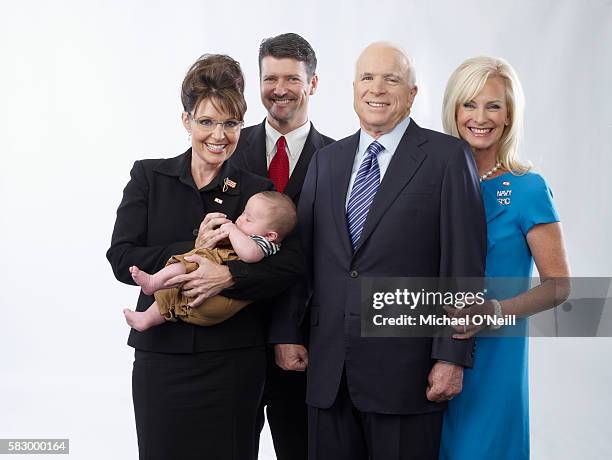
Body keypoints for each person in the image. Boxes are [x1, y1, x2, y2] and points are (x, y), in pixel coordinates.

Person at [274, 42, 487, 460]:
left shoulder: (447, 158)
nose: (378, 88)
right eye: (367, 78)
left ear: (411, 93)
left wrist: (452, 356)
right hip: (329, 372)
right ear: (354, 89)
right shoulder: (326, 161)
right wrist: (285, 331)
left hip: (408, 375)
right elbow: (303, 257)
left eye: (391, 78)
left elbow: (463, 266)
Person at [106, 54, 303, 460]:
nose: (219, 135)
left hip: (233, 361)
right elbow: (121, 256)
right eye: (206, 122)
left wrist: (227, 276)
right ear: (186, 121)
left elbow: (287, 266)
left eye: (230, 124)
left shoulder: (256, 188)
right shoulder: (149, 176)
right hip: (162, 357)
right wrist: (190, 246)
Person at [439, 56, 571, 460]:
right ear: (453, 109)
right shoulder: (431, 181)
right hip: (425, 351)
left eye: (493, 105)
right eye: (469, 104)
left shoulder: (528, 188)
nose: (480, 117)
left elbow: (559, 285)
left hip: (494, 360)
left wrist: (493, 311)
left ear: (510, 114)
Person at [229, 33, 334, 460]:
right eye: (270, 78)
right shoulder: (228, 148)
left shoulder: (339, 160)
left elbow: (327, 259)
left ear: (313, 83)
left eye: (292, 78)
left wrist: (289, 331)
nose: (280, 89)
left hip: (304, 346)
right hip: (232, 342)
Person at [123, 191, 297, 331]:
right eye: (243, 212)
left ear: (270, 235)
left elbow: (250, 254)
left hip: (218, 303)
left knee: (186, 268)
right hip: (202, 300)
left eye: (248, 219)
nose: (240, 218)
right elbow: (122, 255)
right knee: (178, 279)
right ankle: (147, 315)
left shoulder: (264, 243)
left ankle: (154, 283)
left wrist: (231, 230)